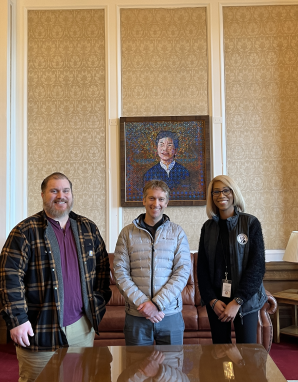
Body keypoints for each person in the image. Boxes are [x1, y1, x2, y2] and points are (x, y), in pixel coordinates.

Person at [0, 172, 112, 382]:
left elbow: (102, 272)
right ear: (43, 195)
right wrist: (17, 320)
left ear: (71, 194)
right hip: (39, 329)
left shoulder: (88, 228)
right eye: (54, 190)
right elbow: (9, 276)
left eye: (65, 190)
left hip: (81, 327)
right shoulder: (24, 231)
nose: (61, 196)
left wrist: (95, 305)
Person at [114, 179, 191, 346]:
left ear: (167, 202)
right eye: (151, 198)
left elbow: (183, 271)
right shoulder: (127, 233)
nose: (156, 203)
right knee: (137, 369)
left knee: (172, 370)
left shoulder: (177, 232)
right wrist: (143, 304)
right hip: (137, 315)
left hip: (169, 315)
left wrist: (156, 304)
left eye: (161, 199)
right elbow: (120, 272)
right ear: (143, 200)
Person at [197, 175, 266, 344]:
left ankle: (242, 371)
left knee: (247, 354)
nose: (221, 195)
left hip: (245, 301)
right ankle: (227, 372)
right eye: (216, 192)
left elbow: (257, 267)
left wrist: (237, 301)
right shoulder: (208, 227)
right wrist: (212, 301)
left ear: (234, 193)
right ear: (211, 196)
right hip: (217, 302)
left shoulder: (250, 223)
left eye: (226, 190)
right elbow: (202, 268)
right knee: (221, 354)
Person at [143, 131, 190, 197]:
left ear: (175, 150)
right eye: (161, 145)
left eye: (169, 145)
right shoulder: (150, 173)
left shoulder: (184, 172)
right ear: (157, 148)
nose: (165, 149)